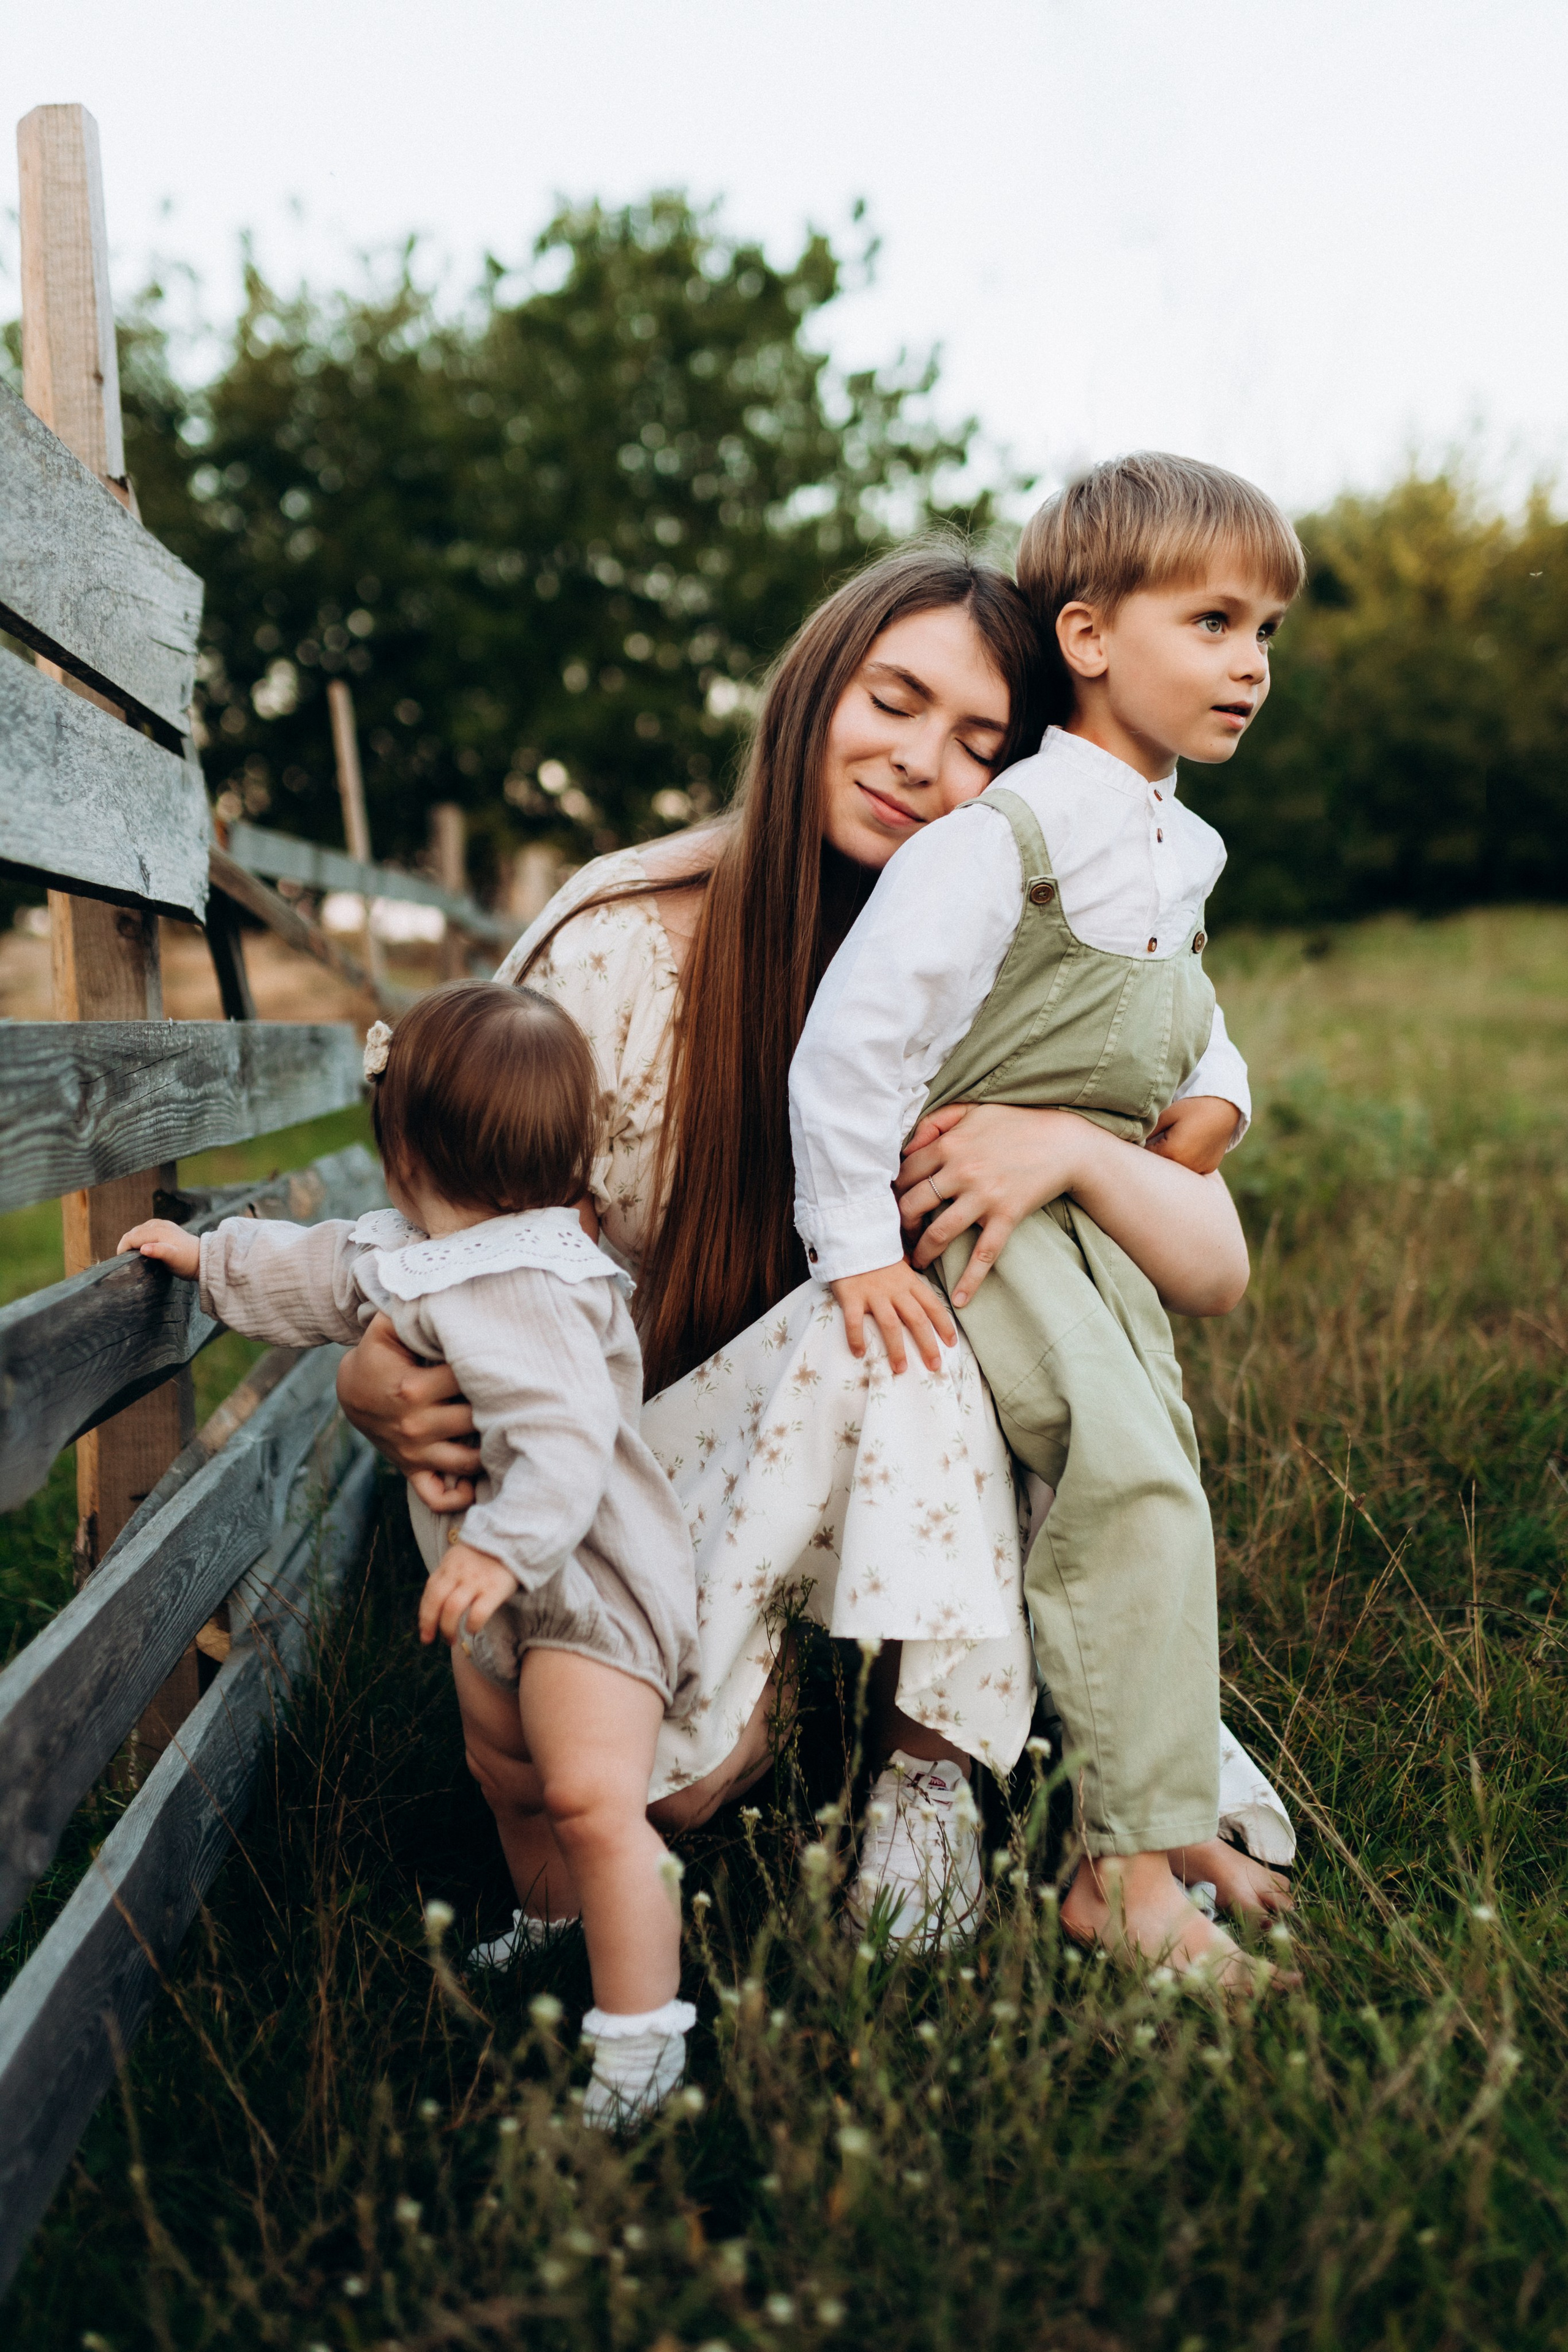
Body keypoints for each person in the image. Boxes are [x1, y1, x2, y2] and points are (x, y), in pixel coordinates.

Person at [336, 540, 1290, 1958]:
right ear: (808, 694)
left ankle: (941, 1790)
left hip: (840, 1439)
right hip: (587, 1471)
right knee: (678, 1782)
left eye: (978, 744)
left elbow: (1207, 1266)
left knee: (987, 1313)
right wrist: (373, 1370)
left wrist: (1074, 1149)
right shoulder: (622, 943)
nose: (919, 761)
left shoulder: (1003, 963)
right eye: (891, 702)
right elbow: (447, 1239)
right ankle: (756, 1708)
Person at [788, 458, 1303, 1980]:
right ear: (1085, 636)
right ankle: (1120, 1884)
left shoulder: (1176, 848)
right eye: (1211, 621)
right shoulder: (990, 840)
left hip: (1081, 1226)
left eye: (1265, 631)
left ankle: (1143, 1820)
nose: (1249, 662)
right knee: (1119, 1491)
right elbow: (848, 1054)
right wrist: (857, 1253)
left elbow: (1192, 1025)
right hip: (978, 1225)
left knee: (1159, 1491)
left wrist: (1211, 1109)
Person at [119, 982, 701, 2126]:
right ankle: (551, 1926)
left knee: (589, 1796)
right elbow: (316, 1268)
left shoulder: (536, 1282)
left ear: (405, 1154)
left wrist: (500, 1553)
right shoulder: (423, 1251)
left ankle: (642, 2041)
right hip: (493, 1587)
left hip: (586, 1590)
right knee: (507, 1775)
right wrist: (205, 1259)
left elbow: (567, 1441)